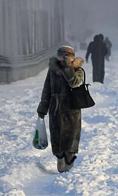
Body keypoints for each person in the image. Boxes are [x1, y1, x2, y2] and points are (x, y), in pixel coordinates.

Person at [37, 45, 85, 173]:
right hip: (55, 108)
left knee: (71, 137)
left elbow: (74, 83)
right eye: (62, 56)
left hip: (72, 108)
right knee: (56, 135)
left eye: (67, 56)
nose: (64, 58)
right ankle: (59, 157)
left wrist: (68, 68)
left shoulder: (77, 69)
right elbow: (47, 89)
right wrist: (43, 108)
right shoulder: (53, 70)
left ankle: (69, 159)